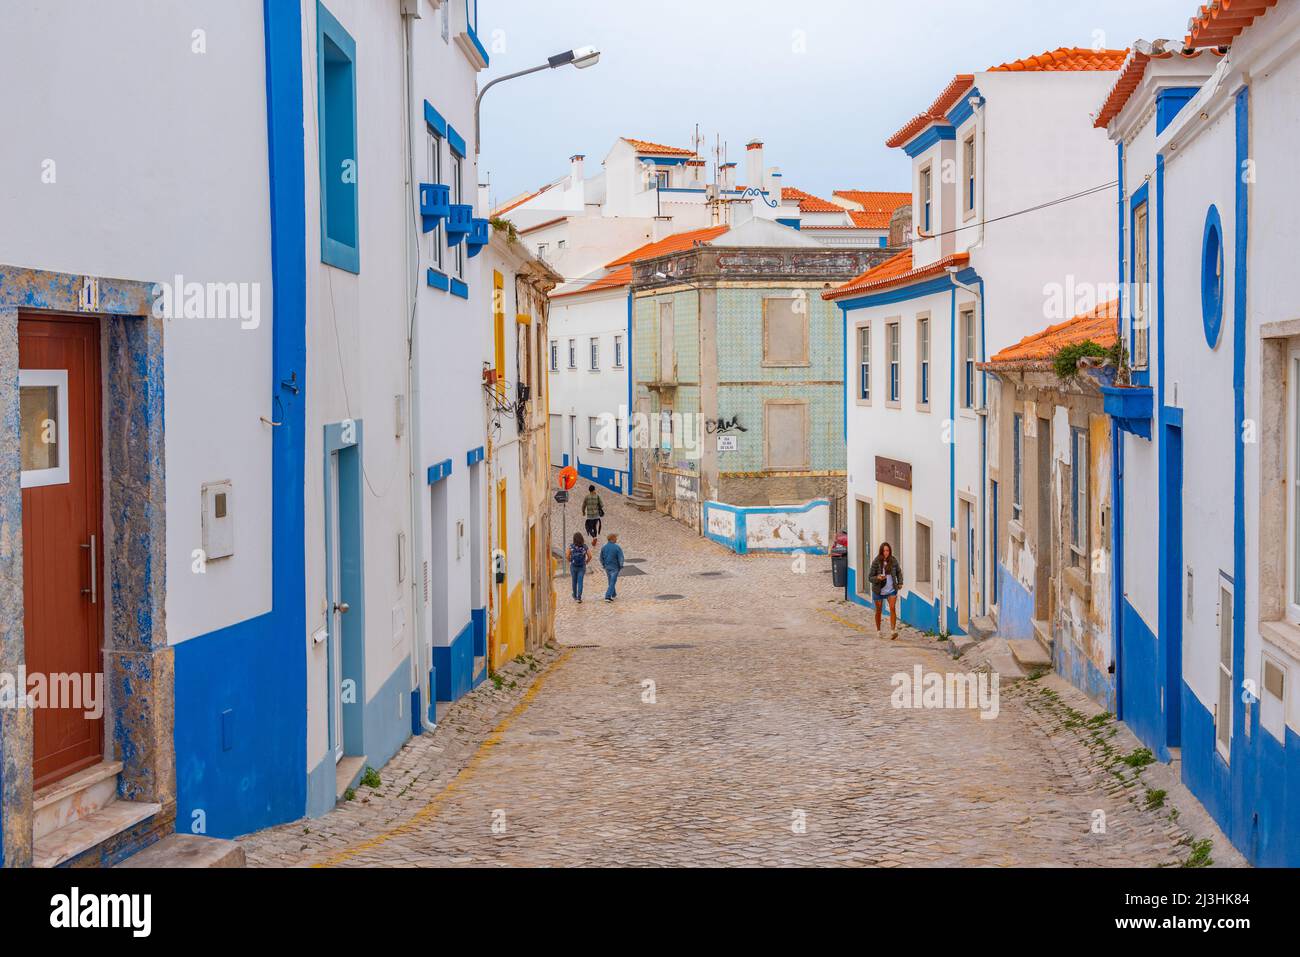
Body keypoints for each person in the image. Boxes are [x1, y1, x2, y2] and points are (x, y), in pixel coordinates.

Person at [868, 542, 903, 639]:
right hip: (878, 590)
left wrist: (900, 582)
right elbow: (870, 577)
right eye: (884, 551)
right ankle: (878, 630)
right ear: (881, 551)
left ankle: (893, 631)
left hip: (891, 589)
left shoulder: (893, 560)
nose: (886, 552)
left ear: (890, 551)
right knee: (878, 610)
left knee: (892, 608)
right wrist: (878, 578)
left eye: (887, 550)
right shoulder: (876, 561)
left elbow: (898, 572)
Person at [600, 532, 625, 602]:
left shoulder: (604, 547)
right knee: (613, 581)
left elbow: (601, 558)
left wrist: (603, 565)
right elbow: (621, 557)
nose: (616, 539)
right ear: (612, 538)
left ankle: (613, 594)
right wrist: (621, 565)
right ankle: (607, 596)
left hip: (607, 567)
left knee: (610, 581)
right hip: (615, 567)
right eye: (616, 537)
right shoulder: (617, 547)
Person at [568, 532, 590, 603]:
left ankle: (574, 595)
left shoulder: (571, 546)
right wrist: (586, 562)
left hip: (573, 566)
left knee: (574, 581)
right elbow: (590, 556)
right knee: (580, 582)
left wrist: (570, 561)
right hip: (582, 566)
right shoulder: (584, 546)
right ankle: (579, 598)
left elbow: (567, 555)